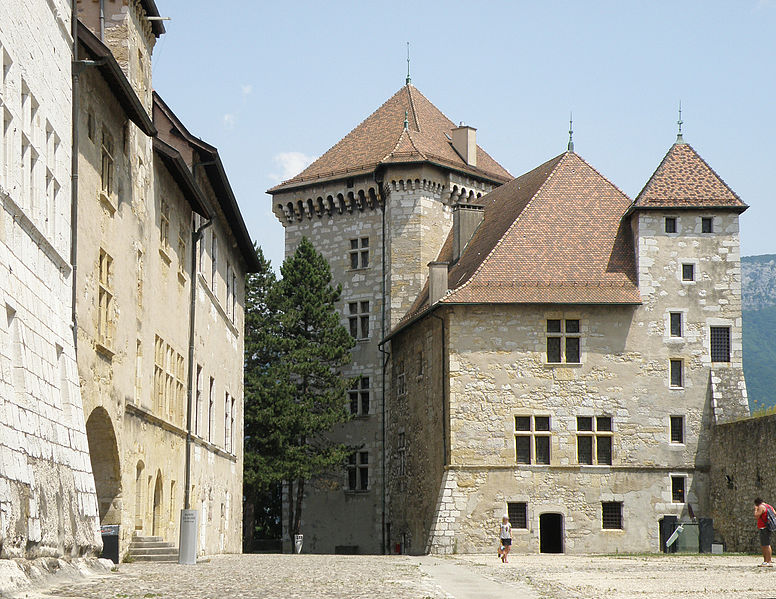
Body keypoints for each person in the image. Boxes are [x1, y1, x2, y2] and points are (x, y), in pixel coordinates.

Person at [754, 497, 773, 567]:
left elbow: (756, 516)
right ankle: (767, 560)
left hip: (763, 527)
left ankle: (767, 561)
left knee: (765, 544)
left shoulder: (761, 507)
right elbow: (774, 513)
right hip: (768, 527)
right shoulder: (769, 506)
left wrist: (756, 509)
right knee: (766, 544)